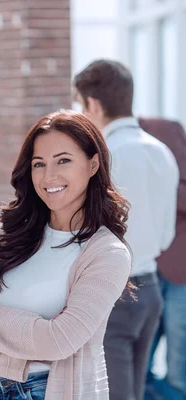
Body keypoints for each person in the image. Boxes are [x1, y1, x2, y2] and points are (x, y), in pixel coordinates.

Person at [0, 110, 132, 399]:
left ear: (93, 164)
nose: (49, 176)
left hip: (50, 391)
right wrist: (34, 336)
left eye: (64, 160)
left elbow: (60, 341)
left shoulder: (107, 254)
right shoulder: (9, 232)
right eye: (39, 164)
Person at [74, 59, 179, 400]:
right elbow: (165, 236)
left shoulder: (103, 157)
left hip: (112, 293)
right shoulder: (162, 152)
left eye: (80, 105)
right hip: (151, 290)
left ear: (93, 103)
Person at [138, 118, 186, 399]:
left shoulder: (165, 132)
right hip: (146, 274)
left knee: (179, 365)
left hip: (180, 277)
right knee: (141, 358)